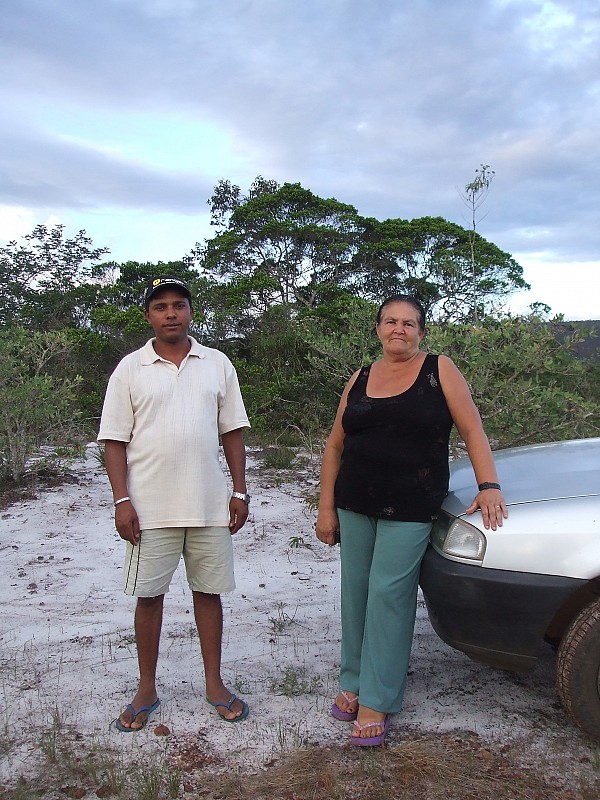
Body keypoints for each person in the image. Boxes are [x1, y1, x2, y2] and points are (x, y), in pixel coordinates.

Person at [315, 295, 507, 747]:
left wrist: (489, 485)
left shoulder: (440, 370)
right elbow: (336, 445)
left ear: (421, 331)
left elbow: (472, 430)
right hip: (354, 503)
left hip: (411, 505)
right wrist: (326, 507)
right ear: (378, 328)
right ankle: (353, 680)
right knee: (356, 594)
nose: (398, 329)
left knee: (389, 596)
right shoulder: (360, 377)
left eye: (408, 323)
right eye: (390, 321)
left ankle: (377, 699)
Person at [98, 276, 251, 731]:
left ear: (190, 312)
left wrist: (239, 491)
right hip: (149, 510)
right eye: (161, 306)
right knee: (148, 598)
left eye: (178, 305)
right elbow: (114, 441)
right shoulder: (130, 368)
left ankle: (214, 684)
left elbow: (232, 431)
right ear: (148, 315)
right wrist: (122, 500)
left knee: (209, 593)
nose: (170, 314)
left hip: (209, 505)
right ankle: (146, 688)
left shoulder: (217, 363)